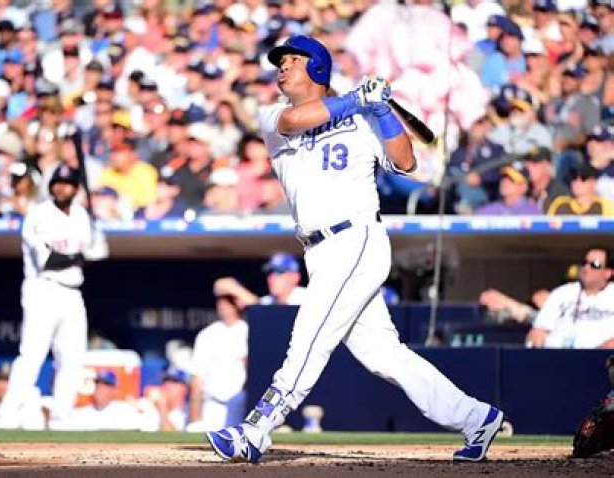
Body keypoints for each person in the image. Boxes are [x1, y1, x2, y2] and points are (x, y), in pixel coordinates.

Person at [205, 35, 504, 464]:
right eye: (280, 61)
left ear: (317, 67)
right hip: (319, 248)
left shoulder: (363, 117)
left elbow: (406, 162)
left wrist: (381, 111)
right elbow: (296, 121)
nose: (282, 66)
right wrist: (356, 100)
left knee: (309, 337)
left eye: (293, 59)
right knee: (384, 355)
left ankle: (255, 430)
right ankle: (477, 417)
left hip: (355, 239)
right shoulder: (274, 114)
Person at [0, 164, 109, 428]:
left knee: (72, 359)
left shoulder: (82, 216)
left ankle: (61, 419)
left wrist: (95, 235)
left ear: (76, 188)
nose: (61, 188)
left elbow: (101, 252)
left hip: (73, 293)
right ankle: (8, 417)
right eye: (57, 183)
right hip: (43, 289)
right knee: (32, 355)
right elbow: (48, 260)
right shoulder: (39, 215)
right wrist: (81, 256)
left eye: (67, 184)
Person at [526, 247, 614, 349]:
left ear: (608, 272)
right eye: (584, 263)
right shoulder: (562, 293)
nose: (586, 268)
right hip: (558, 354)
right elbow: (539, 329)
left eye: (595, 265)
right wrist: (537, 342)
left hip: (603, 356)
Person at [188, 292, 248, 432]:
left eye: (228, 301)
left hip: (241, 406)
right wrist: (195, 419)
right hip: (212, 406)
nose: (223, 305)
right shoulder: (207, 334)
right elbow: (197, 379)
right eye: (220, 301)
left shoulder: (249, 331)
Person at [49, 370, 159, 431]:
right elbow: (58, 427)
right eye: (98, 383)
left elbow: (151, 426)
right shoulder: (82, 413)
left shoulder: (125, 410)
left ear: (114, 389)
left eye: (106, 384)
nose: (100, 388)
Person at [214, 252, 307, 308]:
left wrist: (239, 291)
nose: (272, 278)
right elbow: (220, 284)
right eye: (270, 273)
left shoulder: (307, 298)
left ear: (295, 277)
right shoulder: (268, 301)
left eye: (279, 272)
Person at [475, 162, 542, 215]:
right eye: (504, 177)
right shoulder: (487, 211)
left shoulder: (532, 213)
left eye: (511, 179)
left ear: (523, 187)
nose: (505, 182)